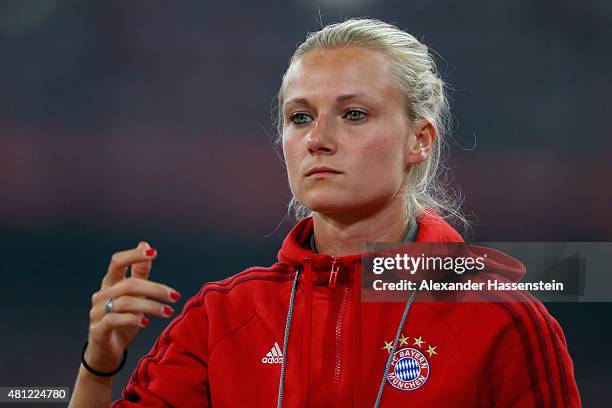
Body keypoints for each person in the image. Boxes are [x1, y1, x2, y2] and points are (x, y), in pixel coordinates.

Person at [68, 18, 581, 407]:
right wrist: (99, 365)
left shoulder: (500, 322)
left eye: (353, 115)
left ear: (419, 141)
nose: (317, 140)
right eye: (299, 117)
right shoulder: (220, 319)